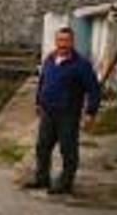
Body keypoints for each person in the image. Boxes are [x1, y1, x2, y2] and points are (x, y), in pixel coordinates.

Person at [25, 26, 101, 195]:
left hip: (68, 114)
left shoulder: (81, 64)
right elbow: (43, 81)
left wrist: (90, 112)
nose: (63, 44)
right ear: (56, 41)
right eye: (60, 40)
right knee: (42, 147)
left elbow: (94, 89)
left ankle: (65, 183)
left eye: (66, 40)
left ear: (72, 42)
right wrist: (38, 102)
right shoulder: (49, 59)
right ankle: (42, 179)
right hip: (48, 112)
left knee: (68, 149)